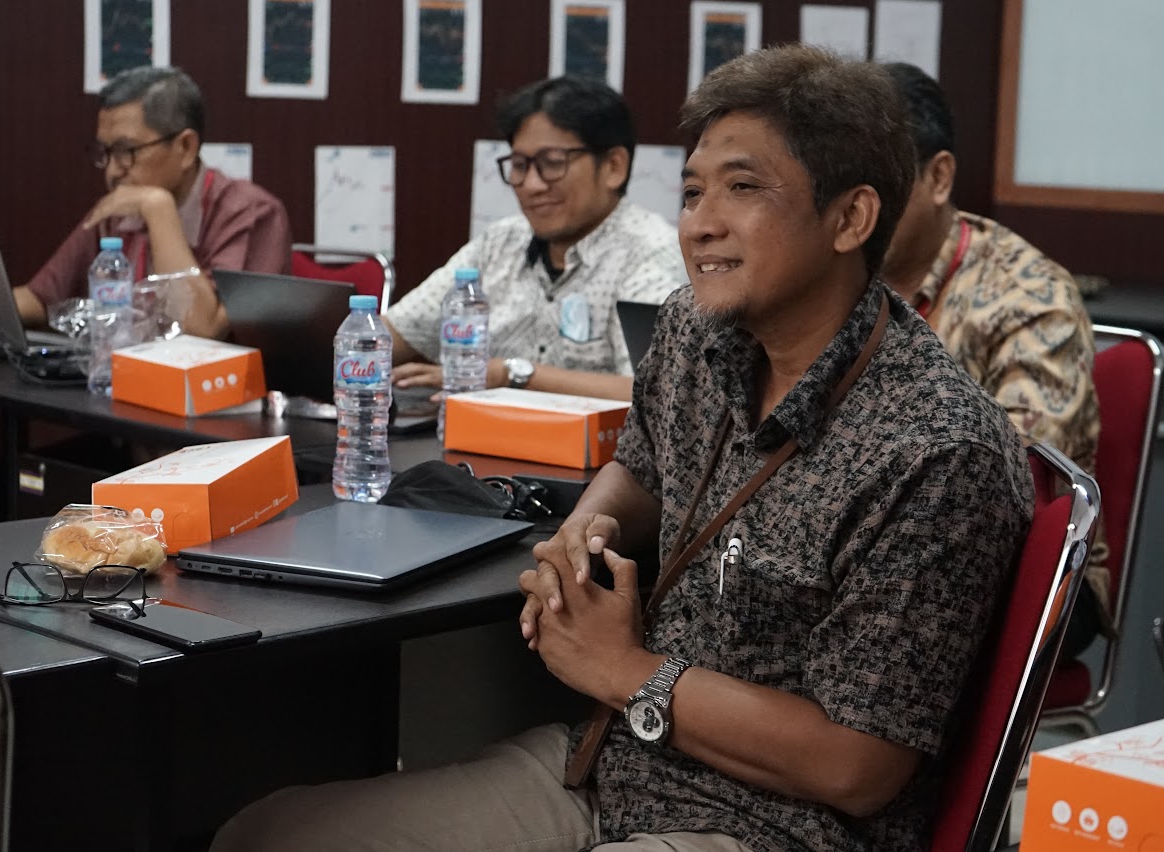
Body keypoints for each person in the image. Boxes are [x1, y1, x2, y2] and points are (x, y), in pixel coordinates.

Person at [211, 46, 1034, 852]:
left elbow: (858, 766)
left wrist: (625, 670)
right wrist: (585, 529)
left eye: (743, 188)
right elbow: (642, 466)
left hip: (783, 827)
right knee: (264, 835)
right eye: (692, 192)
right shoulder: (695, 330)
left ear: (850, 218)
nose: (700, 224)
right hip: (616, 761)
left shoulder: (934, 450)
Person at [879, 62, 1106, 654]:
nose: (856, 206)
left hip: (1024, 569)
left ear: (938, 176)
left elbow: (1017, 489)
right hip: (864, 545)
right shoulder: (830, 279)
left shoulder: (1029, 296)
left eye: (878, 180)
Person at [384, 76, 685, 402]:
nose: (531, 185)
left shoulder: (653, 255)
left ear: (614, 167)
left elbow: (652, 392)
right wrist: (357, 344)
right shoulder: (500, 243)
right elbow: (397, 330)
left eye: (552, 163)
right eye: (519, 165)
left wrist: (512, 375)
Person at [13, 66, 292, 340]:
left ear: (186, 147)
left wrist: (158, 209)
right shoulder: (120, 209)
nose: (112, 170)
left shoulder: (252, 213)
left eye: (126, 151)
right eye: (106, 152)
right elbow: (40, 298)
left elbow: (202, 329)